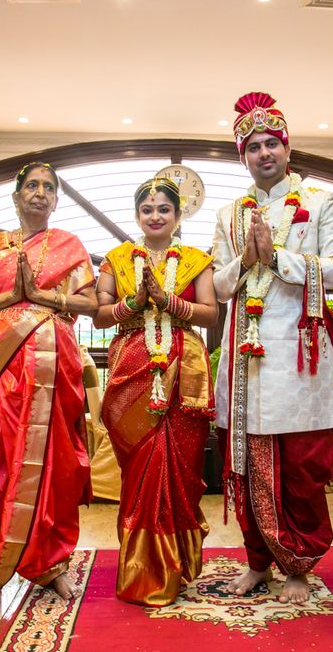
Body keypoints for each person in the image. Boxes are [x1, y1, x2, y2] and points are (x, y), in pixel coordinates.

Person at [212, 92, 333, 604]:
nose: (264, 153)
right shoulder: (229, 214)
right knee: (244, 462)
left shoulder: (319, 203)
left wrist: (280, 258)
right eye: (253, 146)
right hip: (245, 360)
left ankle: (299, 565)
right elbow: (219, 286)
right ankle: (256, 561)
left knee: (301, 466)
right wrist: (247, 260)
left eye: (272, 143)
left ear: (288, 150)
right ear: (243, 156)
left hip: (297, 357)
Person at [0, 162, 97, 607]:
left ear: (55, 200)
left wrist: (45, 299)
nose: (39, 193)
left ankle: (51, 566)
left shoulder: (69, 244)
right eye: (31, 186)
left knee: (55, 464)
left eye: (48, 188)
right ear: (17, 197)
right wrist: (9, 299)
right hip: (3, 364)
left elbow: (91, 305)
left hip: (55, 370)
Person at [94, 177, 218, 606]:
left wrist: (167, 301)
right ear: (137, 216)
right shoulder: (116, 260)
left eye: (164, 209)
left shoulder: (197, 261)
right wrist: (133, 305)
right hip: (133, 368)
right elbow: (99, 315)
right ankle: (141, 570)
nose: (155, 216)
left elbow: (210, 312)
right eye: (147, 209)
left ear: (179, 216)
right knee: (140, 468)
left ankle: (176, 567)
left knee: (181, 468)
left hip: (184, 370)